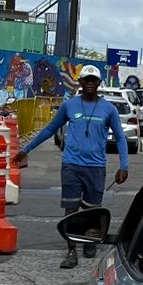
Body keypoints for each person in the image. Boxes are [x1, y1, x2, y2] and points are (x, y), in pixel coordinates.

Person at [19, 64, 129, 269]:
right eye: (86, 79)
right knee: (71, 208)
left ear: (98, 83)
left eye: (93, 80)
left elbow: (121, 138)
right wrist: (26, 149)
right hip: (71, 165)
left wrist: (124, 165)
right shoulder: (69, 106)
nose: (89, 83)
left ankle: (89, 241)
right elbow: (50, 129)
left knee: (92, 209)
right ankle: (71, 250)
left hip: (96, 167)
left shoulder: (109, 109)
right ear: (80, 82)